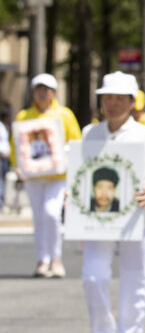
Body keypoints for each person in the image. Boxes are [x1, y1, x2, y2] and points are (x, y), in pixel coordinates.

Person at [82, 71, 145, 333]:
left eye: (120, 98)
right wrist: (72, 195)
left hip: (135, 217)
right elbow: (79, 173)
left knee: (134, 281)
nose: (112, 103)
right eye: (107, 97)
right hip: (97, 219)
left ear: (133, 102)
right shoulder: (89, 133)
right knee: (92, 277)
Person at [10, 73, 82, 278]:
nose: (42, 93)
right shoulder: (24, 116)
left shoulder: (64, 114)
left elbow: (76, 141)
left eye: (46, 89)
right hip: (33, 177)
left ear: (54, 92)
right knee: (39, 218)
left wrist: (64, 156)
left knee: (52, 214)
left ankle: (56, 257)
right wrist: (17, 166)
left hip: (57, 176)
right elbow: (16, 144)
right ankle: (42, 259)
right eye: (38, 89)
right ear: (33, 92)